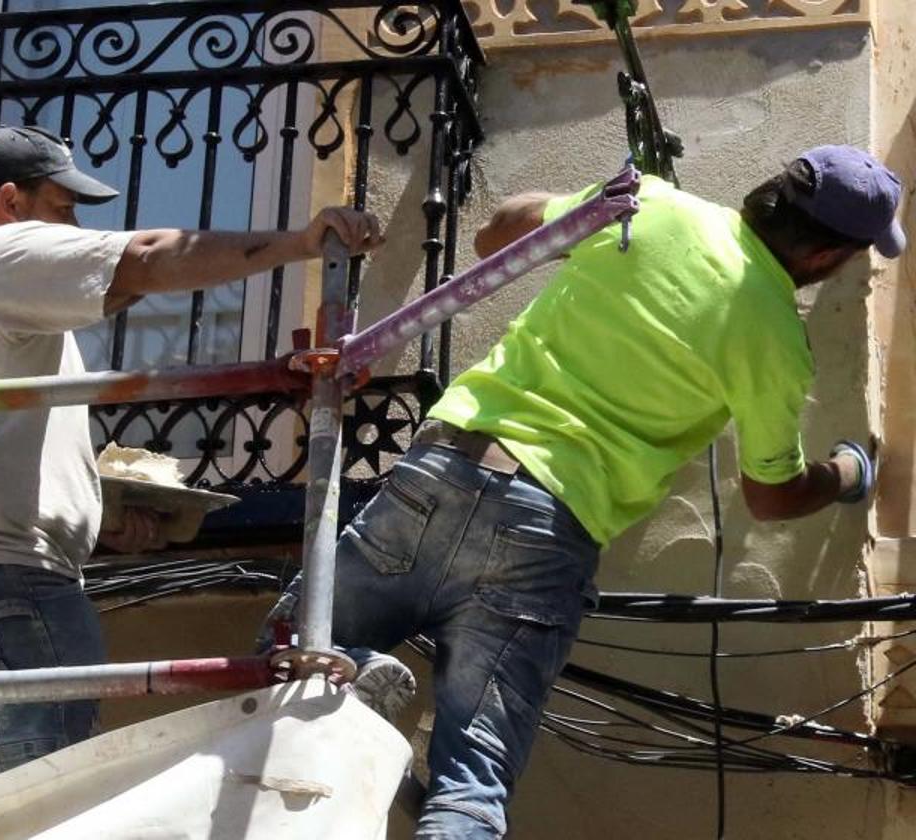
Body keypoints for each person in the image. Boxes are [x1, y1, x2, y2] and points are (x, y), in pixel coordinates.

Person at [266, 145, 905, 837]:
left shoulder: (652, 206)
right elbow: (772, 495)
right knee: (468, 788)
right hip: (546, 533)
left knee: (280, 656)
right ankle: (359, 682)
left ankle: (353, 669)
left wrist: (603, 215)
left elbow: (497, 233)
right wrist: (845, 472)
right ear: (823, 258)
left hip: (443, 470)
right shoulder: (778, 339)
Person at [0, 124, 381, 799]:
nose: (76, 227)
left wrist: (101, 519)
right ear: (11, 202)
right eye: (64, 207)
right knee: (41, 805)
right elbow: (151, 258)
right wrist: (302, 244)